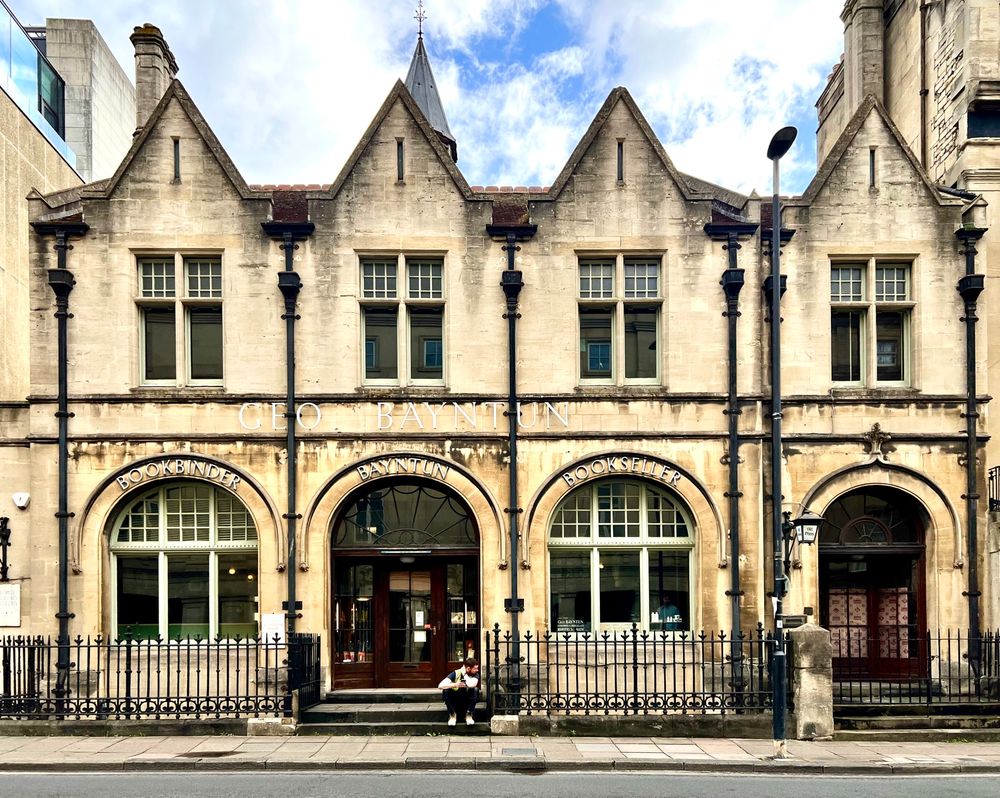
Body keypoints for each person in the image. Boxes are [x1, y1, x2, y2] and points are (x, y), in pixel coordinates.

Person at [437, 657, 480, 727]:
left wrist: (464, 674)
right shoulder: (456, 673)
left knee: (475, 690)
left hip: (467, 700)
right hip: (455, 699)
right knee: (446, 690)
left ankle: (469, 714)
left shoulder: (475, 675)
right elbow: (440, 685)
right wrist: (455, 685)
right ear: (468, 668)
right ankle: (452, 715)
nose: (477, 670)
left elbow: (471, 684)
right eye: (475, 668)